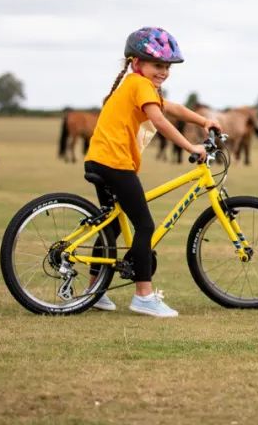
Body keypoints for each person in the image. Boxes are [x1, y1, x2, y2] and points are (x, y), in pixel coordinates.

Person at [85, 27, 221, 318]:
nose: (164, 72)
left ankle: (94, 290)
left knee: (110, 226)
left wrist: (204, 121)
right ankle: (143, 296)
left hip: (100, 160)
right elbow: (159, 120)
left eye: (167, 67)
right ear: (137, 63)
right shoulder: (140, 84)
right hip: (115, 163)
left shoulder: (136, 84)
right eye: (158, 65)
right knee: (145, 226)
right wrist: (190, 146)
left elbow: (172, 107)